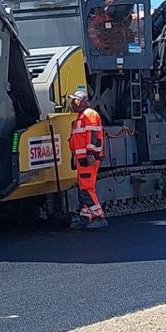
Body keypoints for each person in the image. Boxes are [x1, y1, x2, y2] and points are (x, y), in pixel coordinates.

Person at [68, 89, 107, 229]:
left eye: (75, 100)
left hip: (88, 158)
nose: (72, 103)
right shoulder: (80, 117)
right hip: (82, 158)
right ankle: (85, 216)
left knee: (86, 188)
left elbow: (93, 135)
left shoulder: (89, 115)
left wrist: (90, 153)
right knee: (83, 187)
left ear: (82, 101)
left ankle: (98, 216)